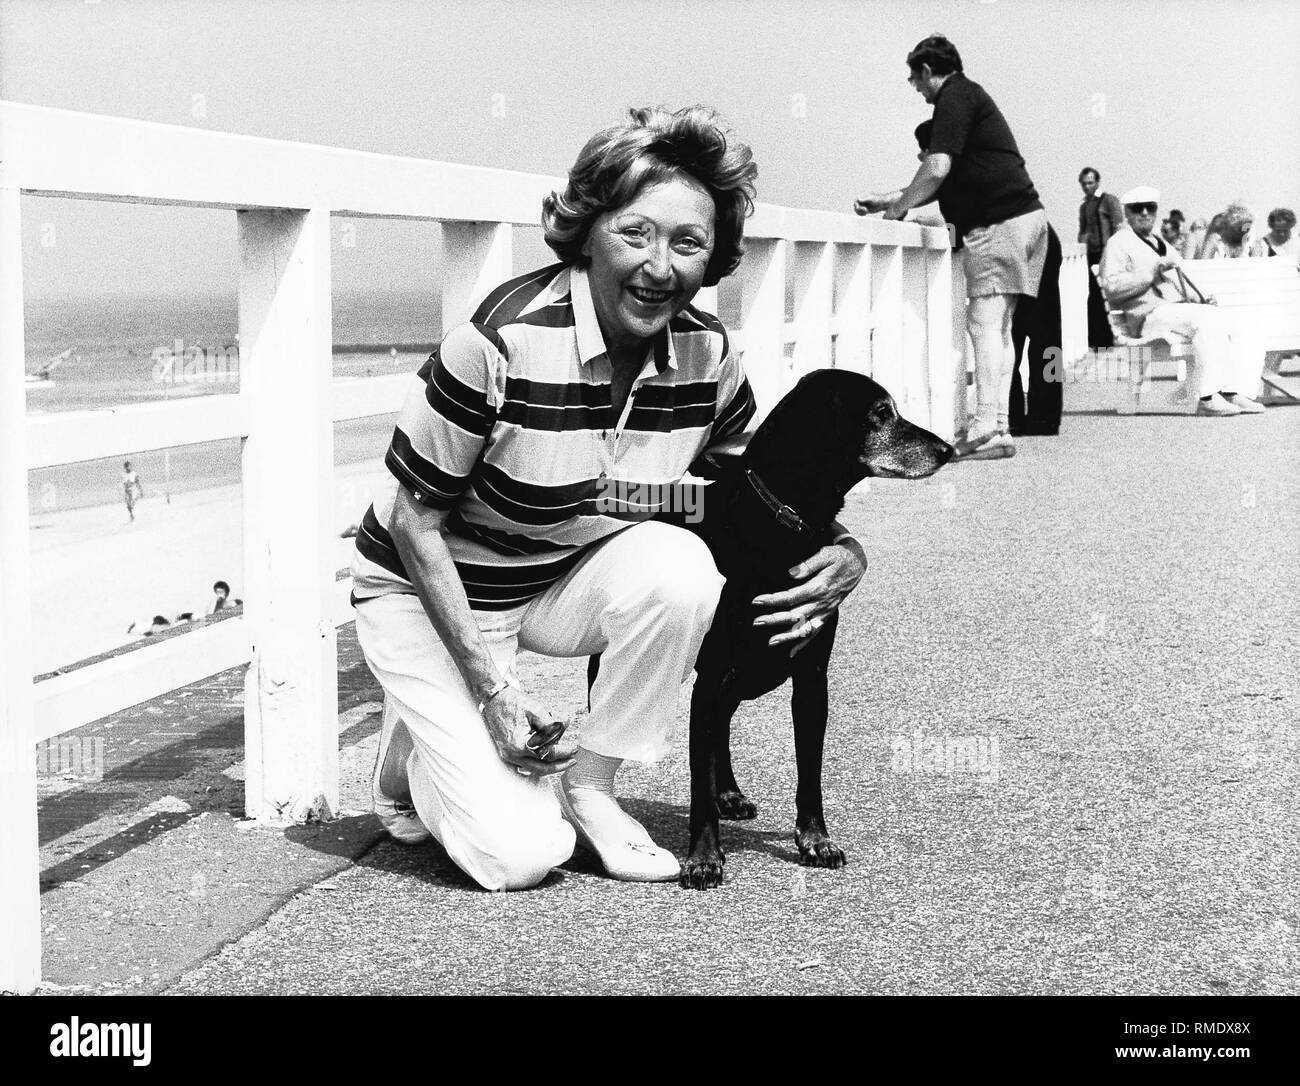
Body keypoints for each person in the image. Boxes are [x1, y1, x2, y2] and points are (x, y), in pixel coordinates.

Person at [349, 106, 869, 891]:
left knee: (683, 568)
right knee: (521, 856)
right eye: (637, 233)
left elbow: (750, 491)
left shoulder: (706, 354)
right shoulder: (499, 345)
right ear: (587, 229)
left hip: (560, 577)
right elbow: (411, 520)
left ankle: (591, 784)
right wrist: (493, 696)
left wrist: (846, 546)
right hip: (432, 591)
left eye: (687, 243)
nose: (660, 266)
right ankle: (412, 755)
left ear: (714, 256)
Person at [855, 34, 1049, 460]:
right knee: (1000, 329)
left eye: (915, 80)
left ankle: (985, 429)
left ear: (927, 70)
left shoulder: (954, 97)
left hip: (998, 224)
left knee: (984, 326)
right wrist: (889, 199)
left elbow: (937, 165)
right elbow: (951, 175)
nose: (918, 91)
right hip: (1028, 219)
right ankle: (998, 425)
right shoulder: (971, 97)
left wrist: (897, 212)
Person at [1099, 186, 1266, 416]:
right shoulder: (1118, 243)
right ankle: (1207, 397)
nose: (1145, 213)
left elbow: (1181, 278)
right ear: (1127, 212)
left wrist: (1201, 298)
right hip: (1148, 315)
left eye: (1151, 208)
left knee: (1245, 323)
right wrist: (1150, 271)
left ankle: (1235, 391)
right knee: (1206, 318)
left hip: (1175, 312)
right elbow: (1112, 286)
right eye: (1138, 209)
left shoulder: (1160, 242)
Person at [1077, 168, 1125, 350]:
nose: (1087, 186)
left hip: (1107, 253)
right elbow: (1082, 230)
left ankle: (1108, 338)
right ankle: (1097, 339)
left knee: (1107, 295)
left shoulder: (1109, 200)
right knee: (1093, 297)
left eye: (1090, 182)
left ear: (1097, 182)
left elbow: (1118, 225)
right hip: (1090, 255)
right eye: (1084, 183)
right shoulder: (1084, 206)